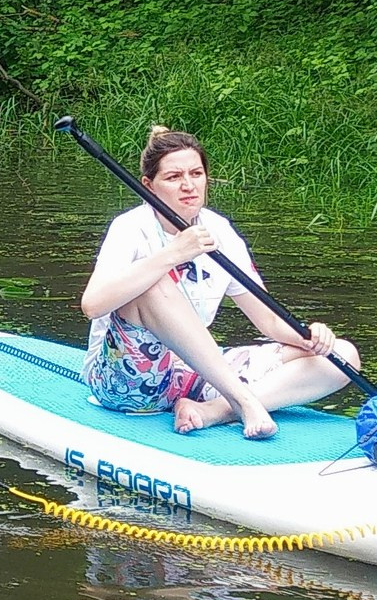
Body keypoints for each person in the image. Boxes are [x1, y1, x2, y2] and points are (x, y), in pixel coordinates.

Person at [76, 125, 360, 440]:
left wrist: (308, 337)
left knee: (342, 355)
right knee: (152, 284)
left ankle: (216, 410)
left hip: (197, 372)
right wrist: (171, 254)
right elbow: (93, 304)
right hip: (128, 380)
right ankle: (242, 399)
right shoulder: (129, 227)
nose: (188, 186)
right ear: (149, 185)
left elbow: (266, 318)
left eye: (196, 174)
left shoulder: (219, 230)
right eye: (173, 177)